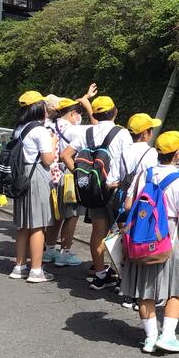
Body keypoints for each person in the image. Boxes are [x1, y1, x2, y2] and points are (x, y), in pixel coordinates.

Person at [120, 131, 179, 353]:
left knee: (144, 288)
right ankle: (168, 335)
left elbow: (128, 206)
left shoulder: (143, 175)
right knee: (177, 285)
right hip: (169, 237)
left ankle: (150, 338)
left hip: (141, 236)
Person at [61, 95, 132, 290]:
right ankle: (123, 278)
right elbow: (128, 162)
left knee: (98, 232)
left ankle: (100, 276)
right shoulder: (122, 133)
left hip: (94, 189)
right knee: (121, 233)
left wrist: (79, 175)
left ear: (96, 114)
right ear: (115, 112)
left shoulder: (87, 132)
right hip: (116, 189)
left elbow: (65, 155)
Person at [43, 86, 99, 267]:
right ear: (72, 114)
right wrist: (89, 107)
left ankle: (49, 251)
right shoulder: (72, 130)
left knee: (56, 214)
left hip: (50, 172)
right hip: (68, 173)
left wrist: (85, 97)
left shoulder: (49, 124)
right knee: (71, 215)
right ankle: (64, 253)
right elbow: (98, 128)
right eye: (77, 114)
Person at [9, 91, 58, 283]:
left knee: (23, 225)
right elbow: (48, 160)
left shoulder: (18, 129)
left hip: (21, 176)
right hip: (36, 176)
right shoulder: (40, 131)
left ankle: (19, 266)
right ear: (38, 107)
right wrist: (53, 143)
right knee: (38, 225)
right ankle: (36, 270)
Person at [119, 112, 161, 310]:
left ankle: (127, 292)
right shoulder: (150, 153)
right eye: (150, 130)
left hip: (125, 200)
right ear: (145, 133)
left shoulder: (124, 150)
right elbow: (152, 179)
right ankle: (141, 295)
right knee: (144, 246)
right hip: (144, 204)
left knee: (128, 246)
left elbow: (116, 177)